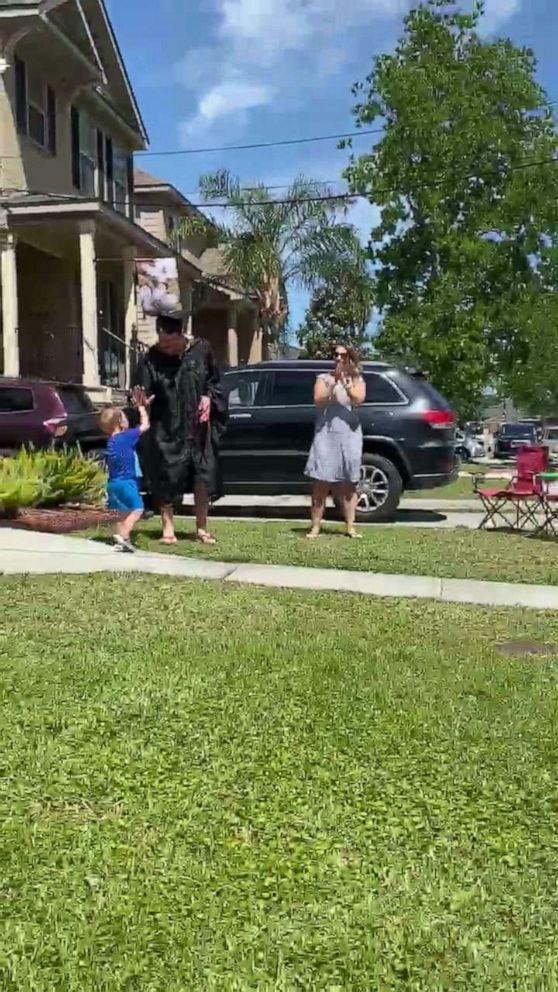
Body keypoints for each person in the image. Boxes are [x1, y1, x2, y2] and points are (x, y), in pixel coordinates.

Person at [134, 314, 227, 546]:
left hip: (198, 428)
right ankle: (168, 528)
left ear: (180, 335)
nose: (163, 346)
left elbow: (214, 382)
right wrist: (142, 401)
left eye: (168, 342)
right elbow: (141, 390)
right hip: (167, 427)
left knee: (202, 477)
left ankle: (202, 528)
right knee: (166, 477)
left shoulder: (201, 350)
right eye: (161, 341)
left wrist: (208, 397)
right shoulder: (151, 358)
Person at [305, 344, 366, 540]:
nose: (338, 358)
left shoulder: (357, 380)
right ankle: (315, 527)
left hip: (349, 436)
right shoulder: (323, 378)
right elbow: (318, 400)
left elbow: (358, 400)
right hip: (326, 435)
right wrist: (333, 384)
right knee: (321, 482)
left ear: (349, 358)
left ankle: (350, 526)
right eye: (336, 355)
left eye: (343, 355)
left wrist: (347, 386)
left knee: (349, 483)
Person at [100, 386, 151, 553]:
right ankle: (123, 534)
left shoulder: (111, 441)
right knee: (137, 508)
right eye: (124, 417)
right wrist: (142, 408)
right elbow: (145, 425)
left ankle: (121, 541)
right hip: (126, 481)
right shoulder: (126, 437)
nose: (127, 419)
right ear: (120, 422)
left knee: (121, 512)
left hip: (113, 483)